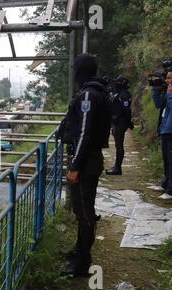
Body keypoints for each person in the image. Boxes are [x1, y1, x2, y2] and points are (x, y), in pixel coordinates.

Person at [59, 53, 111, 277]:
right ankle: (79, 251)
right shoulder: (97, 92)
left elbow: (84, 133)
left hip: (86, 161)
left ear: (80, 71)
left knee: (85, 213)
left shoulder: (89, 95)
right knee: (81, 211)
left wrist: (75, 167)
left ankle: (82, 263)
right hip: (88, 159)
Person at [106, 76, 134, 175]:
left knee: (119, 145)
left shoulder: (124, 94)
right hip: (117, 121)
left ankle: (117, 168)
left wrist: (128, 121)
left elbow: (126, 109)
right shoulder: (118, 93)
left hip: (120, 122)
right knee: (118, 145)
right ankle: (116, 167)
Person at [153, 71, 172, 199]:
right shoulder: (168, 92)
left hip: (171, 130)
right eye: (167, 78)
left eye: (170, 78)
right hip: (165, 129)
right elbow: (159, 104)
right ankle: (166, 184)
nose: (167, 81)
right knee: (166, 159)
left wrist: (170, 95)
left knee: (171, 161)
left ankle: (171, 190)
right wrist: (156, 91)